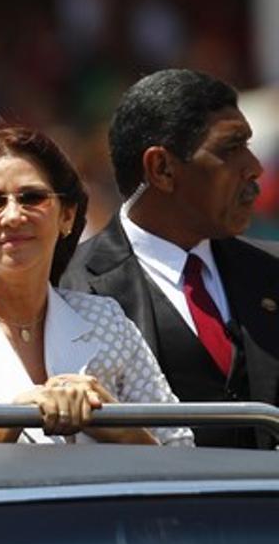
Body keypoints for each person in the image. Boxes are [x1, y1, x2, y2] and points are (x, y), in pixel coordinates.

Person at [0, 124, 191, 446]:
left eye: (32, 197)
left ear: (67, 217)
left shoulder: (107, 322)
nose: (13, 216)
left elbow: (181, 453)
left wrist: (113, 421)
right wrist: (5, 424)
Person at [61, 69, 279, 448]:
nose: (254, 167)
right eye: (230, 148)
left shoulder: (271, 271)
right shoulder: (70, 291)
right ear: (161, 169)